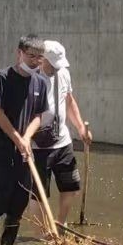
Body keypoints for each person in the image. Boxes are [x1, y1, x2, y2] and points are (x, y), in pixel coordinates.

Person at [0, 36, 49, 245]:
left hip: (25, 151)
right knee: (0, 196)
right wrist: (17, 138)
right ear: (19, 53)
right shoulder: (2, 78)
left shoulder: (40, 82)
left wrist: (27, 138)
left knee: (20, 199)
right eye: (31, 56)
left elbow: (39, 115)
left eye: (39, 58)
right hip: (2, 149)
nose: (35, 62)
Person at [33, 40, 92, 208]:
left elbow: (69, 101)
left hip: (62, 141)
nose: (56, 68)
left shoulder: (63, 73)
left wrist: (81, 128)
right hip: (37, 145)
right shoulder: (31, 78)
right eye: (53, 64)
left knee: (71, 187)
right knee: (39, 195)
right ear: (41, 59)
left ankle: (59, 225)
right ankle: (43, 233)